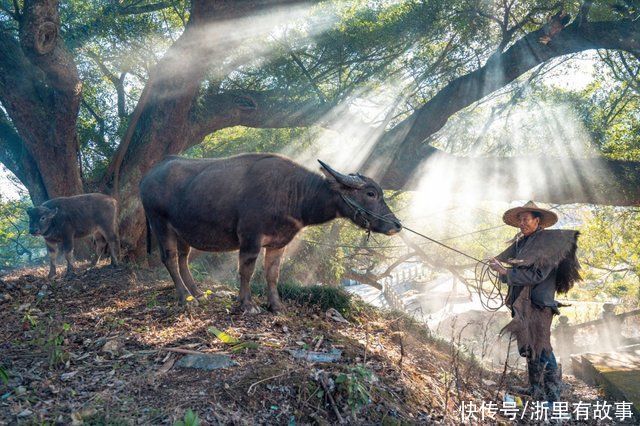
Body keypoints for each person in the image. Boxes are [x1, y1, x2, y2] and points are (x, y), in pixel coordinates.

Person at [488, 201, 581, 402]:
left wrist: (506, 272)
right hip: (522, 304)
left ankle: (553, 396)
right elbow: (517, 275)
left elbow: (537, 275)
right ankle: (535, 389)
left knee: (543, 348)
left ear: (537, 221)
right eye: (520, 219)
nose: (522, 223)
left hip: (539, 305)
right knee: (529, 347)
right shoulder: (521, 244)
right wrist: (502, 272)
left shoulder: (547, 244)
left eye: (526, 219)